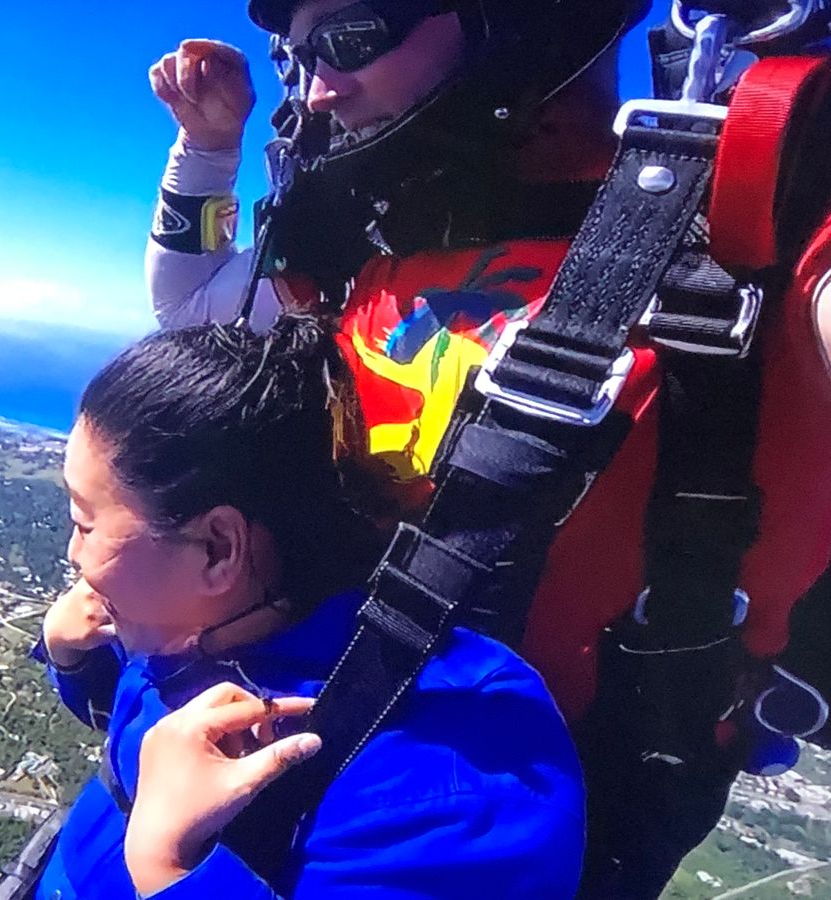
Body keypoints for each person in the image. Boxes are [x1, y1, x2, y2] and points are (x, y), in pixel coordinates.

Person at [146, 1, 831, 896]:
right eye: (300, 54)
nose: (315, 91)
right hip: (316, 769)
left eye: (350, 39)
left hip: (516, 837)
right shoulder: (378, 247)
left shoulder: (746, 246)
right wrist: (207, 149)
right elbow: (192, 309)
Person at [28, 316, 585, 898]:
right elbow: (132, 703)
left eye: (84, 524)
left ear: (219, 548)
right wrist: (75, 664)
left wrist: (168, 871)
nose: (74, 555)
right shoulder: (199, 620)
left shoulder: (460, 787)